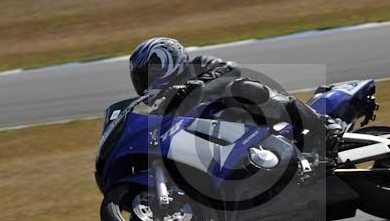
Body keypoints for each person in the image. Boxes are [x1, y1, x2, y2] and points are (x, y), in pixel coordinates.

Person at [129, 37, 342, 155]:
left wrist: (194, 87)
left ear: (167, 60)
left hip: (247, 115)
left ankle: (322, 126)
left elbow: (230, 70)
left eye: (149, 73)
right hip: (222, 144)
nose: (146, 82)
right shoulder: (163, 103)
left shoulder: (199, 65)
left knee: (245, 87)